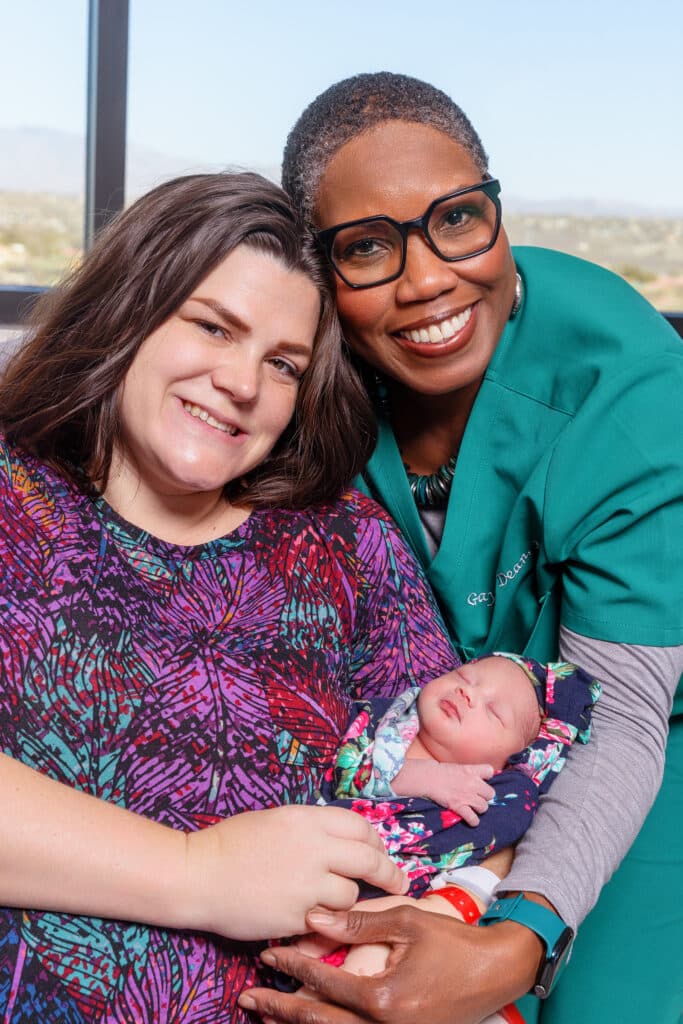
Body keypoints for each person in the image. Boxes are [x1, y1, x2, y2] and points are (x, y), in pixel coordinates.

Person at [240, 72, 683, 1024]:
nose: (428, 278)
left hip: (627, 739)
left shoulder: (630, 390)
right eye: (366, 247)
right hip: (414, 754)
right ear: (317, 271)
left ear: (494, 206)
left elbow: (630, 711)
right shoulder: (288, 375)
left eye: (456, 219)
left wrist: (513, 944)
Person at [0, 171, 469, 1022]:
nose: (242, 384)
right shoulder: (11, 500)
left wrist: (419, 940)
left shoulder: (349, 546)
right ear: (128, 312)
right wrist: (199, 875)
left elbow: (464, 770)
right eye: (214, 327)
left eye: (281, 364)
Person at [323, 654, 600, 896]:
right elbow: (342, 772)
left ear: (509, 763)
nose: (467, 693)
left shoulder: (494, 799)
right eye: (463, 676)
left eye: (494, 712)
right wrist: (420, 776)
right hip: (311, 848)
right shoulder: (380, 718)